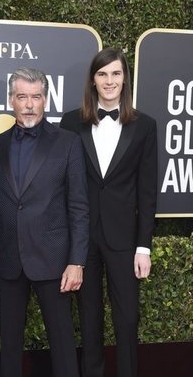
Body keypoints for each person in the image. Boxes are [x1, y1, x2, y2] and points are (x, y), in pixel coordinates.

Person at [0, 67, 89, 377]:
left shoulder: (68, 143)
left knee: (62, 342)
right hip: (9, 258)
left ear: (45, 100)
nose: (29, 104)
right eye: (22, 97)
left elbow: (79, 206)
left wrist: (76, 262)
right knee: (9, 342)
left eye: (36, 97)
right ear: (10, 101)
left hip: (54, 260)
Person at [60, 48, 157, 377]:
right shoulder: (72, 122)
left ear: (125, 78)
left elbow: (146, 192)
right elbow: (64, 183)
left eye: (115, 73)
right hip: (83, 237)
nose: (109, 80)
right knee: (89, 317)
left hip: (123, 237)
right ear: (93, 80)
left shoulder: (145, 125)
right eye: (102, 74)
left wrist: (143, 246)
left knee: (127, 317)